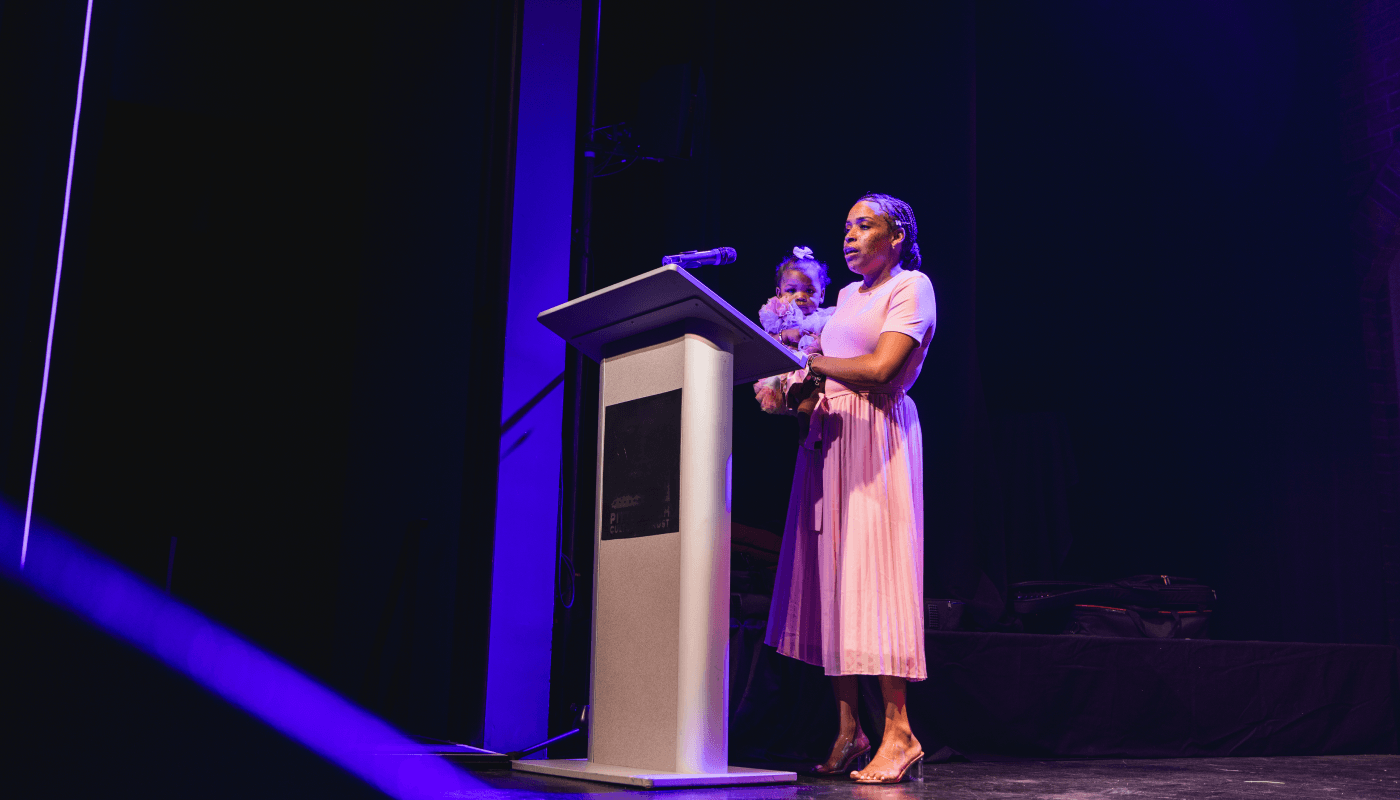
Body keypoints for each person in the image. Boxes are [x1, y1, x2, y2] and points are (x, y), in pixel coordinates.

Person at [764, 193, 936, 784]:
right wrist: (795, 389)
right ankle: (849, 731)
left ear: (897, 236)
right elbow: (831, 372)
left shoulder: (911, 287)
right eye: (846, 226)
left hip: (876, 441)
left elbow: (884, 368)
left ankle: (899, 731)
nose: (851, 235)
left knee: (876, 578)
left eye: (865, 226)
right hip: (829, 442)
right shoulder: (842, 298)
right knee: (835, 584)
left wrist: (811, 363)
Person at [753, 247, 835, 432]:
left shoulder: (825, 317)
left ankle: (808, 409)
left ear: (821, 294)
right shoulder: (780, 316)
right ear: (779, 293)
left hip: (814, 369)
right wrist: (785, 335)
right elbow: (764, 341)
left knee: (819, 380)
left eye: (809, 291)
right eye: (791, 290)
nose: (800, 297)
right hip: (786, 370)